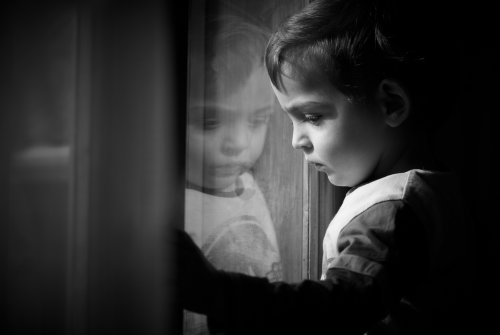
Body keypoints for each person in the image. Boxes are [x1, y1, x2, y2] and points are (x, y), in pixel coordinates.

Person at [177, 0, 478, 334]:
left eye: (312, 117)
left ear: (391, 104)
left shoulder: (394, 211)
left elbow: (337, 308)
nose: (296, 141)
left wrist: (213, 291)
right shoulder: (430, 191)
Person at [183, 8, 282, 335]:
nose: (239, 143)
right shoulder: (175, 207)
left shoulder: (249, 185)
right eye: (210, 122)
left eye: (257, 120)